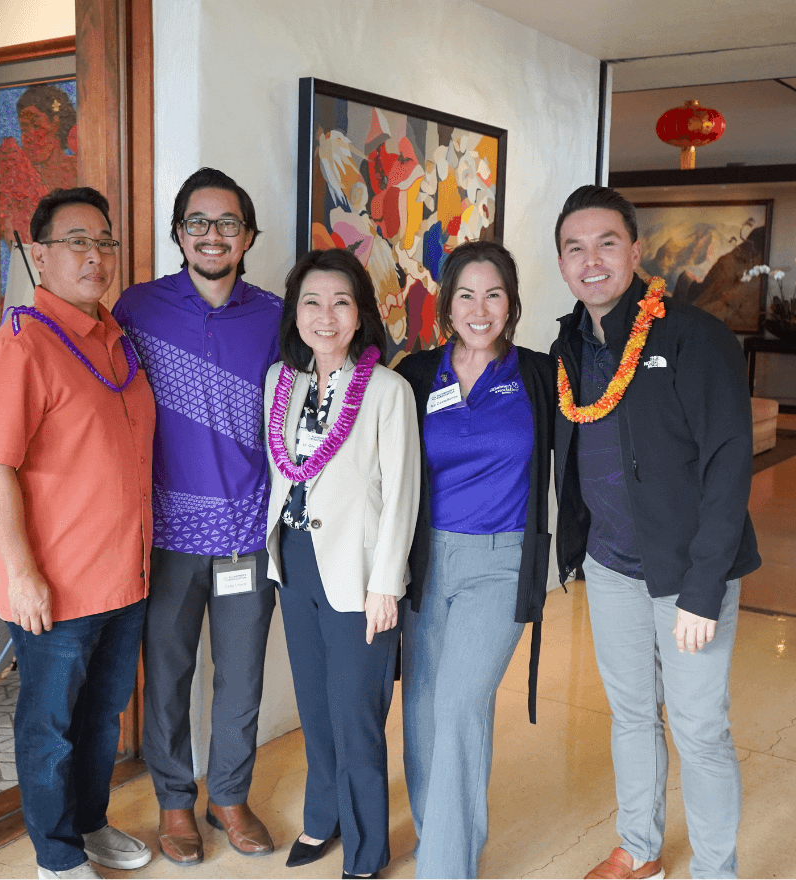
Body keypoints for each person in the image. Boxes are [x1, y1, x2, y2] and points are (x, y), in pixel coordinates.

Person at [550, 185, 760, 880]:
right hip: (611, 566)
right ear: (562, 261)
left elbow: (730, 463)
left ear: (635, 250)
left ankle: (714, 870)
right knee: (632, 715)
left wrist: (704, 588)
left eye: (606, 243)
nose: (592, 261)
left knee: (700, 729)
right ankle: (639, 849)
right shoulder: (568, 342)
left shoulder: (694, 336)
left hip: (688, 573)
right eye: (574, 248)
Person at [0, 186, 154, 880]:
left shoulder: (115, 338)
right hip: (58, 584)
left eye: (104, 241)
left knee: (102, 720)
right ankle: (56, 857)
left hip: (125, 576)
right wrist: (21, 573)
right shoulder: (20, 347)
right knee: (49, 729)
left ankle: (89, 824)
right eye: (77, 241)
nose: (95, 255)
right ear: (40, 255)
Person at [112, 168, 281, 866]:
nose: (213, 235)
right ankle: (175, 804)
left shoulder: (276, 313)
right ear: (179, 233)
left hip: (248, 532)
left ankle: (230, 797)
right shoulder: (135, 308)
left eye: (228, 223)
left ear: (248, 236)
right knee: (170, 676)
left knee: (241, 678)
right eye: (198, 223)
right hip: (169, 534)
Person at [394, 240, 556, 879]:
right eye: (466, 294)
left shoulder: (538, 375)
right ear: (447, 303)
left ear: (512, 304)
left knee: (462, 702)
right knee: (424, 707)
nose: (479, 308)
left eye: (494, 294)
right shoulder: (416, 373)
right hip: (426, 561)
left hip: (502, 561)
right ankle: (442, 833)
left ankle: (445, 866)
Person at [262, 248, 419, 879]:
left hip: (360, 574)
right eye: (312, 302)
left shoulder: (388, 391)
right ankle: (321, 817)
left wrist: (387, 583)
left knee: (356, 714)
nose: (325, 316)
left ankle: (365, 850)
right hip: (295, 562)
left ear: (362, 315)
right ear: (295, 313)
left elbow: (402, 493)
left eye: (341, 302)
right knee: (315, 704)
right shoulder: (283, 382)